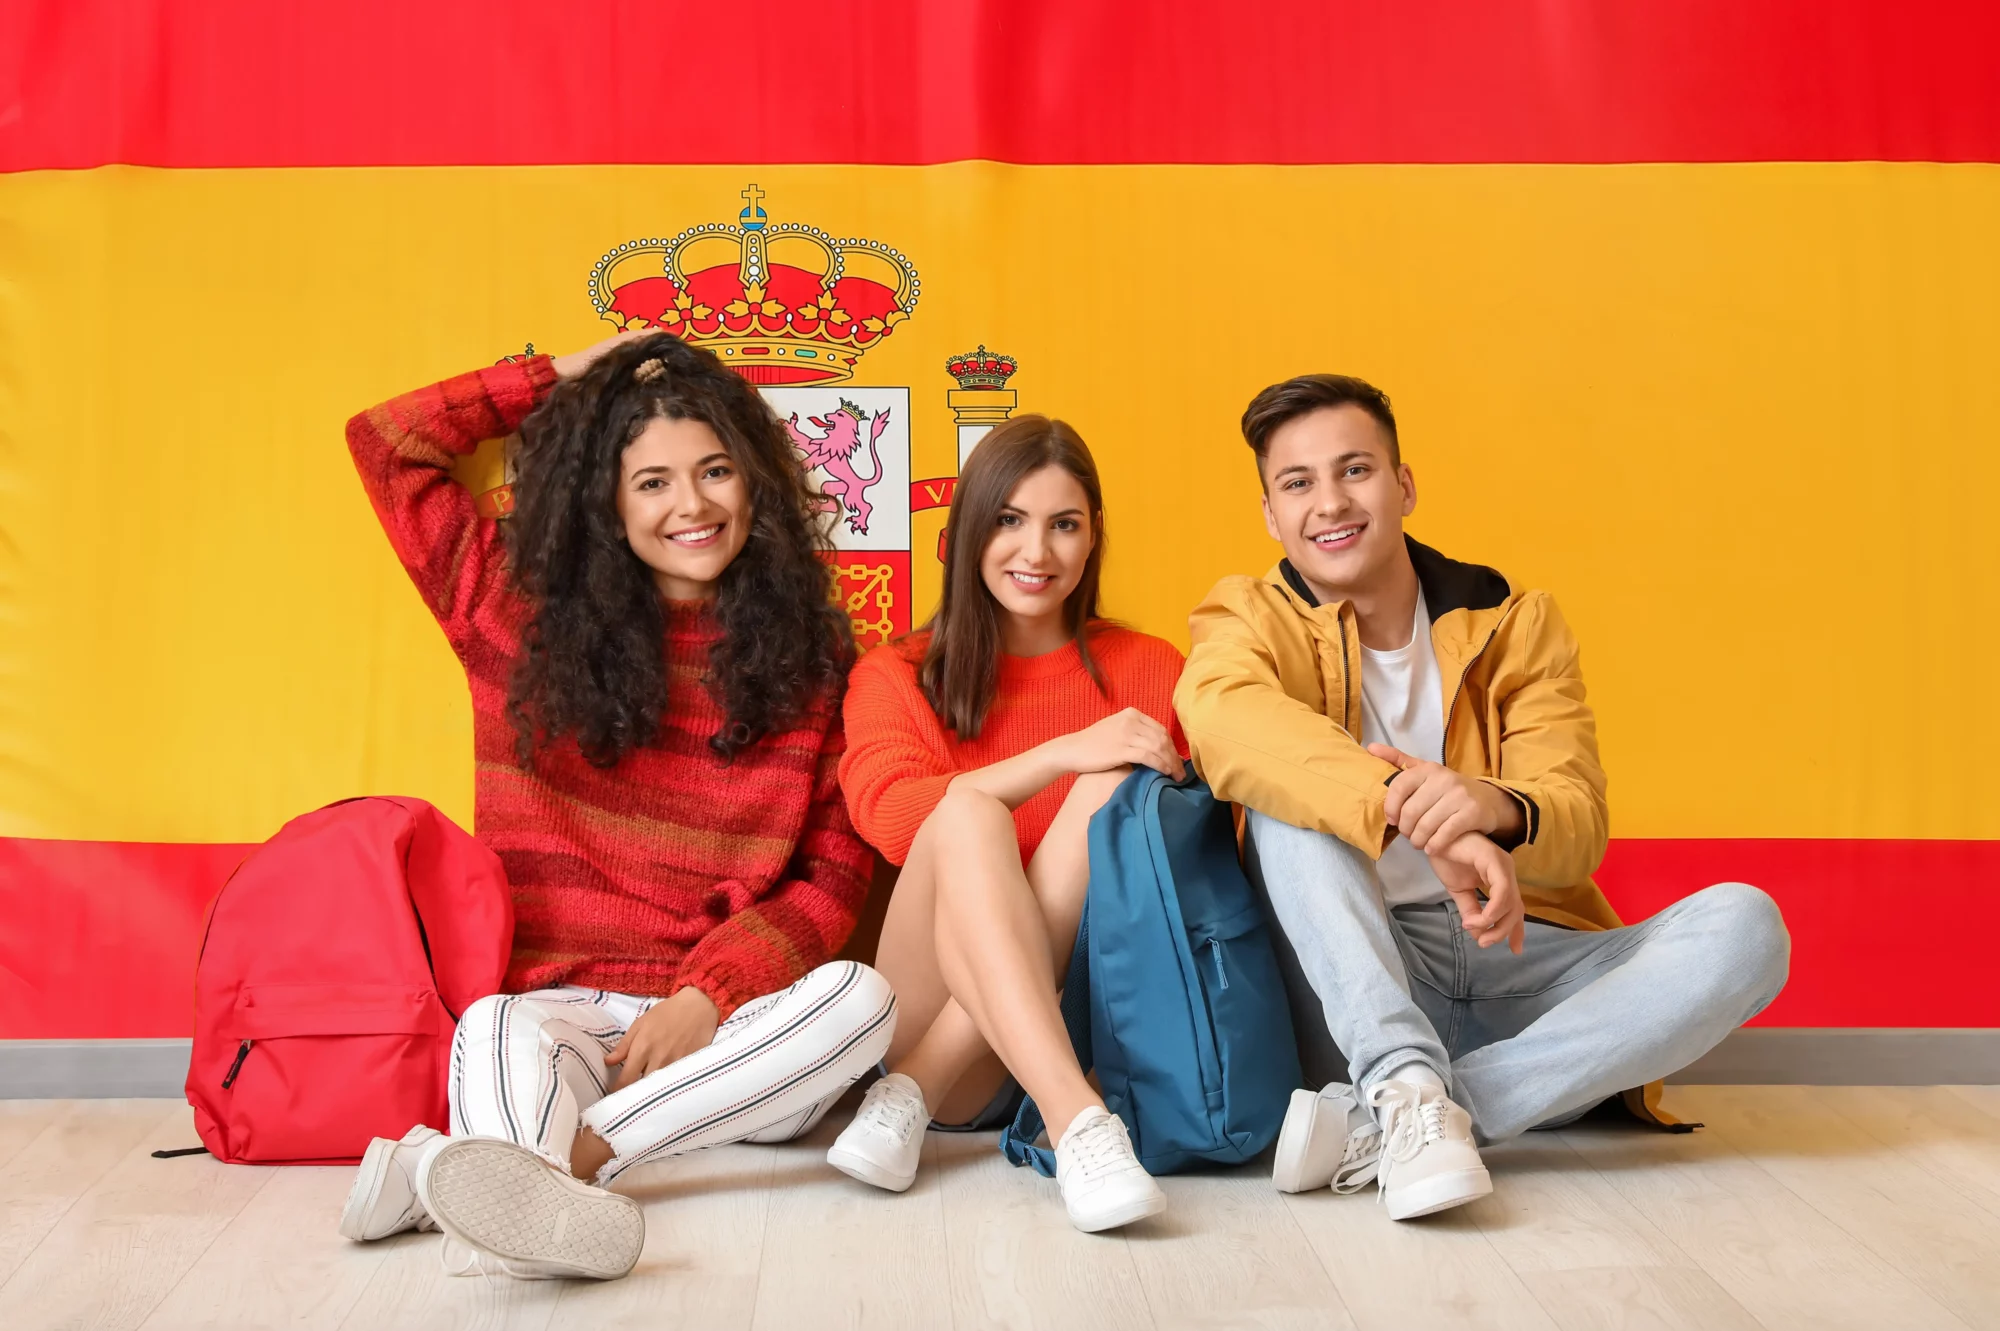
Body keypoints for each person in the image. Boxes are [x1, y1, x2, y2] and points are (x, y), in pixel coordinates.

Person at [334, 331, 894, 1279]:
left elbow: (829, 881)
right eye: (653, 483)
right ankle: (528, 1206)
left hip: (727, 1037)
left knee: (863, 999)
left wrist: (702, 997)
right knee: (492, 1028)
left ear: (755, 483)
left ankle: (523, 1175)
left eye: (716, 471)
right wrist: (560, 378)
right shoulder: (512, 616)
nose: (693, 505)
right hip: (566, 1020)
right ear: (606, 501)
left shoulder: (812, 670)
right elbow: (385, 443)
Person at [1175, 374, 1790, 1221]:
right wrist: (1411, 806)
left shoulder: (1514, 623)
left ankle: (1414, 1111)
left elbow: (1576, 824)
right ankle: (1398, 1076)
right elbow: (1220, 721)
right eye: (1298, 483)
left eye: (1355, 470)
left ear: (1404, 486)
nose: (1329, 502)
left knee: (1747, 925)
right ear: (1272, 516)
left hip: (1522, 969)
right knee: (1289, 805)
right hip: (1362, 982)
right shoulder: (1246, 616)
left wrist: (1488, 809)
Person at [825, 416, 1188, 1233]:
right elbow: (892, 820)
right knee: (964, 815)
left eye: (1065, 525)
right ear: (962, 538)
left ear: (1093, 539)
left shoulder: (1150, 667)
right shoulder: (897, 673)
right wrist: (1065, 749)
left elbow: (1194, 841)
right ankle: (1078, 1124)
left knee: (1111, 790)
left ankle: (909, 1088)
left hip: (1092, 1015)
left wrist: (1093, 764)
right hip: (942, 1024)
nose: (1038, 552)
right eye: (1010, 521)